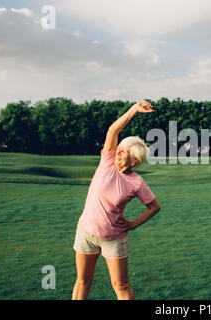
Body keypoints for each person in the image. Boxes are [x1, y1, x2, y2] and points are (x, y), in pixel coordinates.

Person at [72, 100, 161, 300]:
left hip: (114, 239)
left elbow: (154, 207)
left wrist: (133, 224)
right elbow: (113, 130)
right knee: (82, 281)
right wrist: (134, 110)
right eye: (119, 149)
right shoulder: (107, 162)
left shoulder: (136, 183)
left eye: (123, 153)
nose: (117, 153)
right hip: (86, 232)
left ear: (134, 161)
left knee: (121, 285)